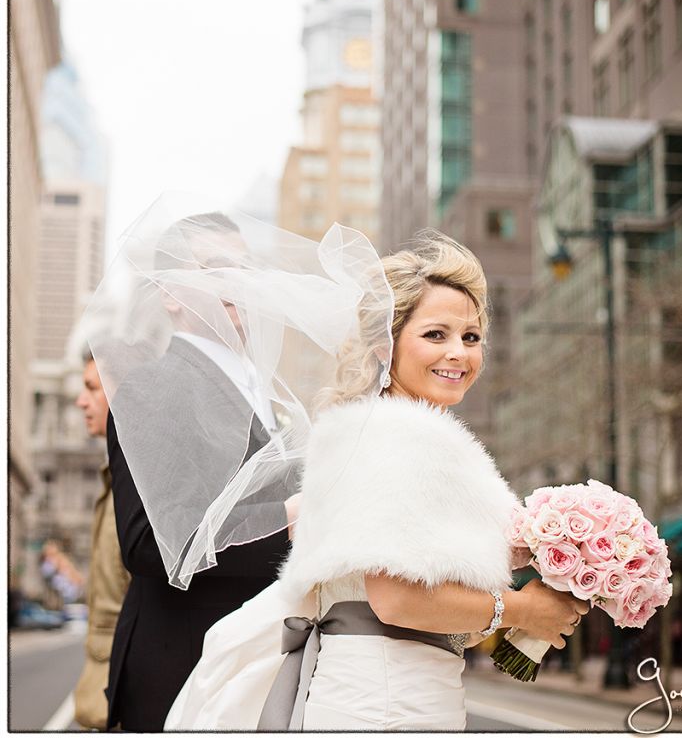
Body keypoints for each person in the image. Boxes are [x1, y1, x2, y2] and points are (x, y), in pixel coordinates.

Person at [167, 230, 588, 730]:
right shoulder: (394, 435)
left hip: (402, 691)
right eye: (436, 335)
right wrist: (520, 609)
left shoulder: (377, 430)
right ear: (383, 345)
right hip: (384, 703)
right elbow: (395, 599)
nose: (459, 353)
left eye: (471, 337)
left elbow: (428, 611)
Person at [99, 211, 296, 731]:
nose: (237, 281)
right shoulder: (153, 387)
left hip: (252, 669)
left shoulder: (265, 394)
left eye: (245, 269)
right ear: (170, 293)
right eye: (215, 269)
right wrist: (288, 521)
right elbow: (149, 542)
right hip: (182, 671)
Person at [72, 351, 131, 730]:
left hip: (122, 692)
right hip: (104, 692)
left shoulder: (134, 486)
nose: (81, 401)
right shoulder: (113, 478)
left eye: (92, 388)